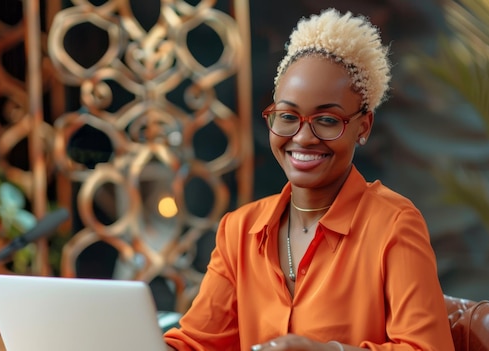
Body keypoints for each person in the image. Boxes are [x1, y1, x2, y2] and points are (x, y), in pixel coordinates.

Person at [163, 8, 454, 351]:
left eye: (327, 120)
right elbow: (196, 343)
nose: (302, 138)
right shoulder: (239, 231)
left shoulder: (393, 225)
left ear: (363, 127)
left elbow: (428, 348)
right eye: (288, 116)